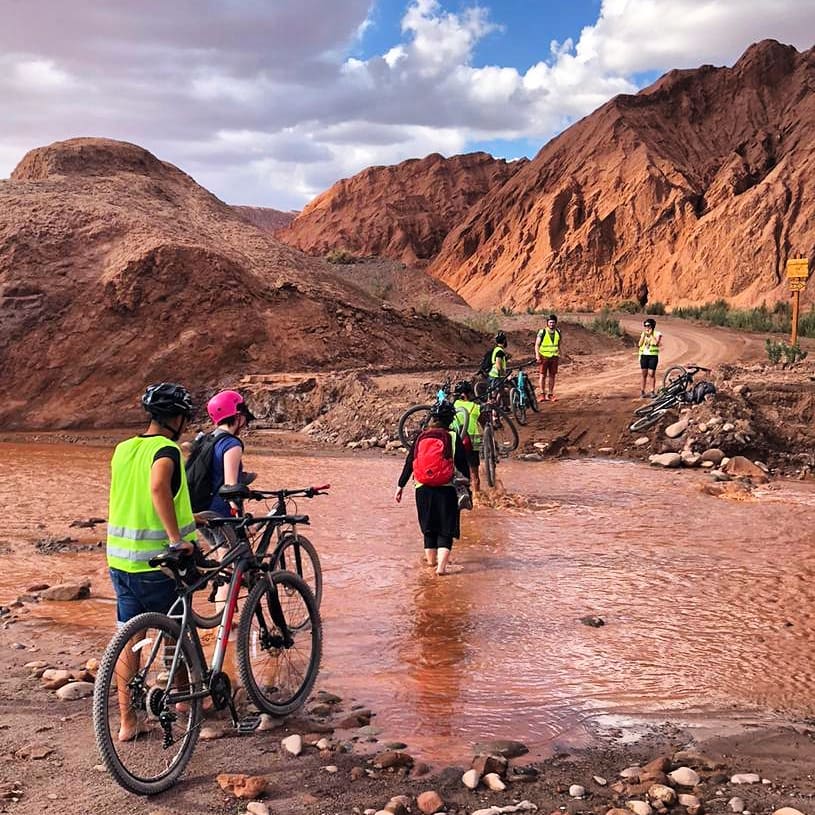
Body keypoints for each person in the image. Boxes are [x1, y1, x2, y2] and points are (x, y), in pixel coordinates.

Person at [106, 382, 197, 742]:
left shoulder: (123, 449)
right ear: (175, 418)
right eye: (184, 418)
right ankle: (183, 703)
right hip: (157, 562)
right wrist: (177, 539)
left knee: (130, 637)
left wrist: (193, 517)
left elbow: (135, 496)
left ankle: (128, 721)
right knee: (178, 628)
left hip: (120, 560)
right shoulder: (167, 449)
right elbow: (158, 487)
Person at [395, 401, 470, 576]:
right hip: (447, 488)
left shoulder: (422, 436)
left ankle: (430, 564)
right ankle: (441, 569)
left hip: (422, 488)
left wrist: (400, 486)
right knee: (446, 529)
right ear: (450, 419)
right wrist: (466, 485)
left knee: (429, 528)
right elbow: (462, 464)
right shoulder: (452, 436)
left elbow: (409, 463)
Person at [203, 390, 256, 516]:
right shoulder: (231, 444)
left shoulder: (208, 438)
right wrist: (238, 515)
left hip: (203, 509)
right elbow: (231, 487)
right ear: (238, 416)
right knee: (239, 536)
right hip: (221, 513)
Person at [452, 380, 482, 493]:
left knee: (456, 471)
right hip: (473, 440)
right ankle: (477, 497)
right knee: (474, 474)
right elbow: (483, 421)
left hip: (457, 439)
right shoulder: (475, 406)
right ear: (468, 394)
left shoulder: (453, 406)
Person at [535, 314, 562, 401]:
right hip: (544, 356)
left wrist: (559, 353)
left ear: (555, 323)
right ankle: (542, 394)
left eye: (553, 322)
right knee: (542, 375)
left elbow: (558, 344)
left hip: (554, 357)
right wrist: (537, 355)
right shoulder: (542, 332)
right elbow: (537, 345)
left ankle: (550, 394)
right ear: (547, 323)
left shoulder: (558, 332)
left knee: (552, 376)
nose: (551, 324)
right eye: (550, 322)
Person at [638, 318, 663, 396]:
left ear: (652, 326)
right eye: (645, 326)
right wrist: (644, 335)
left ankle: (652, 391)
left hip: (653, 356)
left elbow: (656, 343)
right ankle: (642, 391)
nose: (646, 327)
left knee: (651, 374)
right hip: (644, 355)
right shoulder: (643, 334)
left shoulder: (657, 334)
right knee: (644, 373)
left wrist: (651, 335)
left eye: (648, 325)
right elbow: (639, 344)